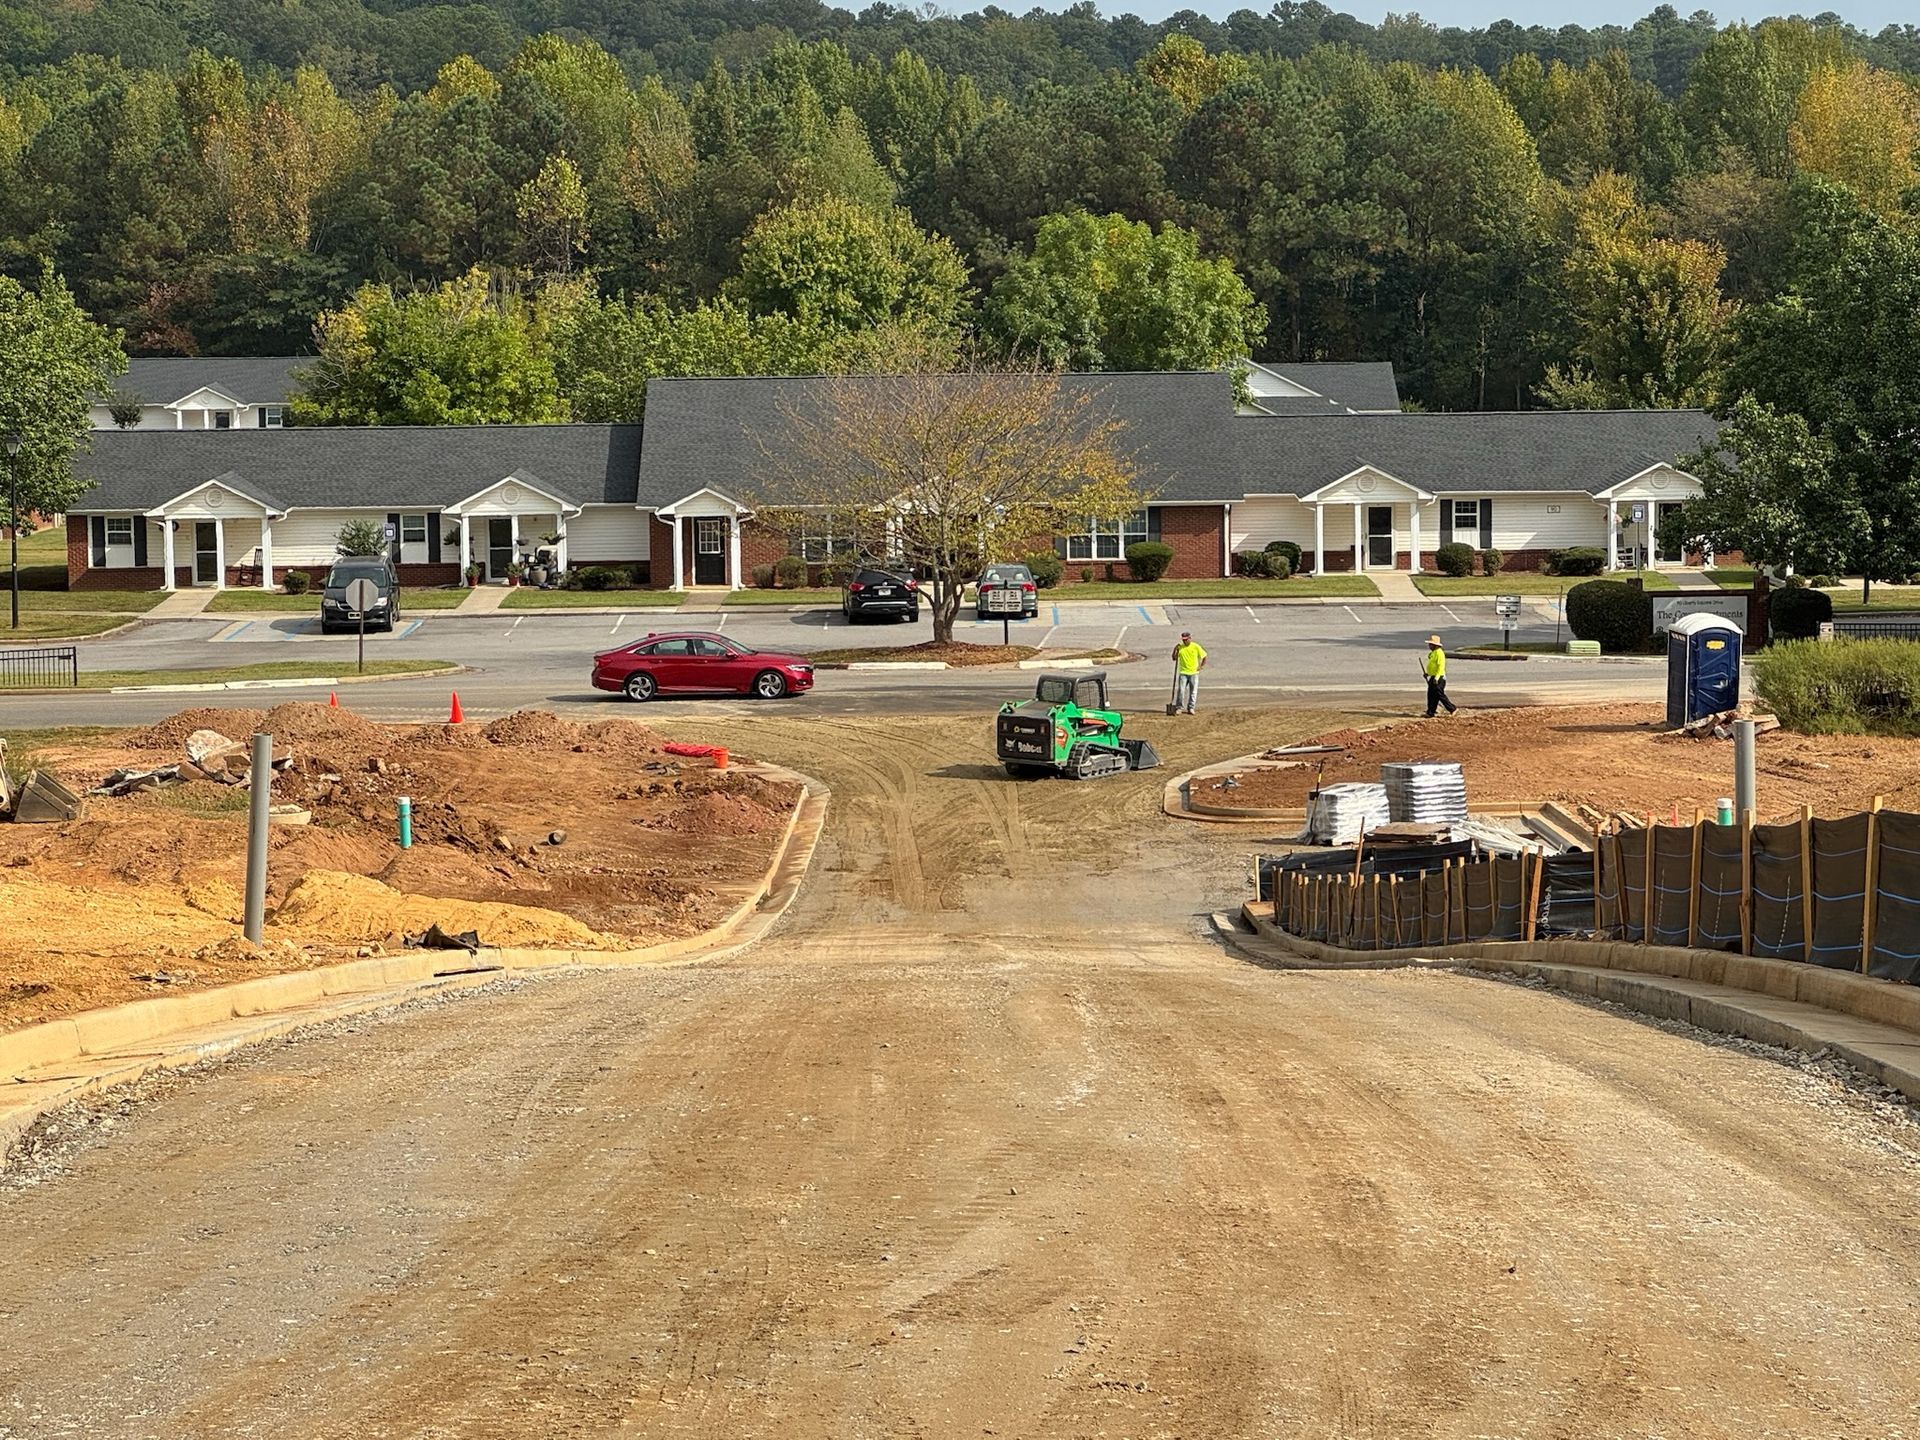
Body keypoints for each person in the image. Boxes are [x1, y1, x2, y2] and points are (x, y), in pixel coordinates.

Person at [1172, 631, 1207, 714]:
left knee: (1193, 691)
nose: (1184, 641)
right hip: (1183, 672)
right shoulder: (1180, 647)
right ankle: (1179, 707)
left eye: (1186, 640)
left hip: (1194, 673)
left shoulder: (1196, 646)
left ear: (1190, 638)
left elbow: (1204, 656)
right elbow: (1174, 658)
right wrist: (1175, 650)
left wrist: (1201, 666)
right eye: (1183, 640)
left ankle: (1191, 707)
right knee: (1181, 690)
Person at [1423, 634, 1457, 717]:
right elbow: (1432, 666)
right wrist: (1428, 673)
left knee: (1439, 694)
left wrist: (1437, 678)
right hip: (1433, 676)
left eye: (1430, 644)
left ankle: (1452, 708)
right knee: (1431, 695)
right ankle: (1431, 712)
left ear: (1435, 645)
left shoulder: (1439, 653)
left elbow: (1440, 667)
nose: (1429, 646)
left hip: (1439, 678)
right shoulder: (1433, 653)